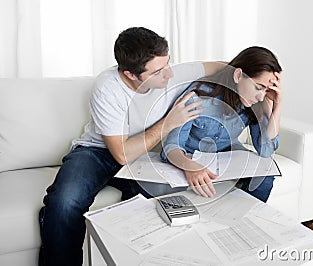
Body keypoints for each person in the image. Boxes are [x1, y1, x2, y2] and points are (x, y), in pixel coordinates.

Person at [38, 27, 224, 266]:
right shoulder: (108, 87)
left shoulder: (170, 72)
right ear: (130, 74)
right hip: (97, 152)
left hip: (143, 155)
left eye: (168, 63)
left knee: (162, 203)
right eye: (158, 71)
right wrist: (168, 124)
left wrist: (256, 76)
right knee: (65, 203)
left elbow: (223, 66)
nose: (169, 74)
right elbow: (121, 153)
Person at [160, 46, 282, 202]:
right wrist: (190, 166)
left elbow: (266, 150)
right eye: (258, 87)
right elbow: (172, 146)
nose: (260, 96)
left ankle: (242, 221)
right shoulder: (197, 96)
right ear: (238, 75)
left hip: (227, 155)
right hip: (193, 155)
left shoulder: (256, 103)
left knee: (265, 176)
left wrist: (275, 106)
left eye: (266, 90)